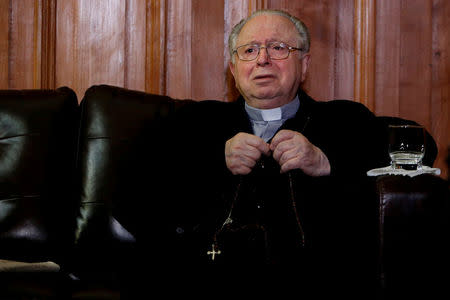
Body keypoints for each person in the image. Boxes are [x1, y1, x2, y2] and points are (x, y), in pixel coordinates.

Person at [127, 9, 390, 297]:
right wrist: (216, 158)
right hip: (206, 282)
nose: (262, 59)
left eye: (278, 48)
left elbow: (420, 148)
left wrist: (326, 161)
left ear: (304, 64)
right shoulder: (195, 121)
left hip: (314, 283)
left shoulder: (344, 119)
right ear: (233, 68)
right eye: (249, 50)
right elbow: (134, 181)